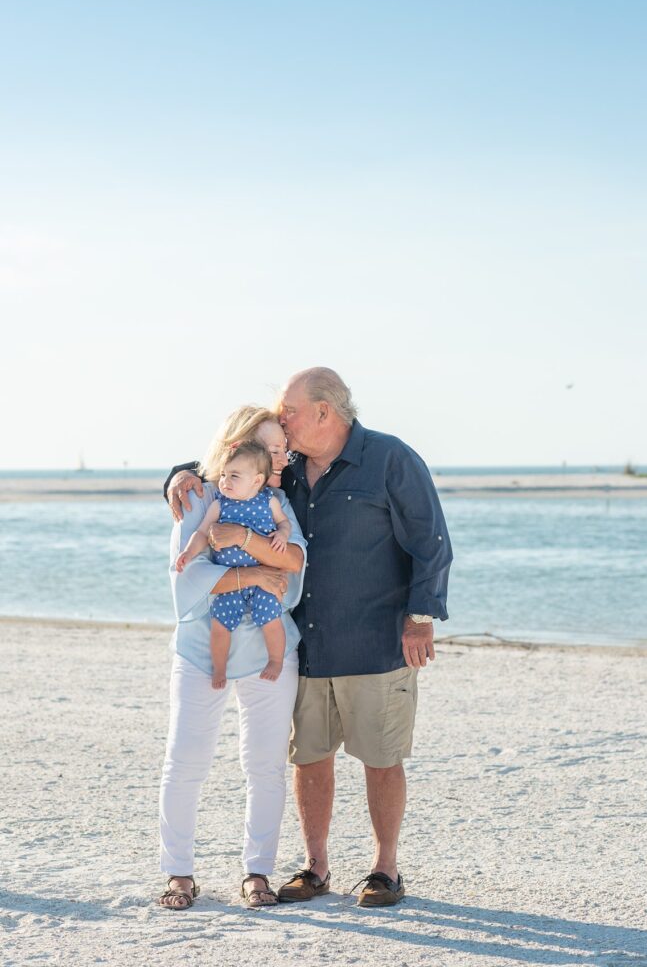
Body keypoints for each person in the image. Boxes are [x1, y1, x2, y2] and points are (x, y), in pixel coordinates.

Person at [168, 369, 453, 908]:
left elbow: (431, 541)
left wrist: (421, 616)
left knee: (381, 756)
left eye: (291, 411)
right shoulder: (287, 467)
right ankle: (316, 866)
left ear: (325, 411)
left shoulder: (391, 459)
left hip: (376, 638)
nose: (284, 423)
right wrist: (179, 474)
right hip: (308, 642)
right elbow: (231, 468)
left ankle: (385, 869)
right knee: (310, 757)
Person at [158, 407, 306, 911]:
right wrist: (252, 576)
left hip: (269, 650)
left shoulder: (280, 497)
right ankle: (179, 874)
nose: (279, 456)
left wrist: (249, 545)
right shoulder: (199, 497)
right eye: (269, 447)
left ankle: (257, 873)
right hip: (202, 649)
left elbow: (293, 564)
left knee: (265, 766)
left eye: (281, 449)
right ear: (238, 449)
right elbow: (189, 583)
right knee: (185, 762)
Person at [176, 440, 292, 685]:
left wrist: (282, 534)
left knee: (271, 620)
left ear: (257, 481)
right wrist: (187, 553)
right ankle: (219, 669)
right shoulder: (219, 505)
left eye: (234, 476)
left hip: (264, 582)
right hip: (231, 581)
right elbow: (200, 533)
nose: (225, 481)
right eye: (224, 475)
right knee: (220, 625)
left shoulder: (268, 501)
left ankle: (275, 660)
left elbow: (284, 523)